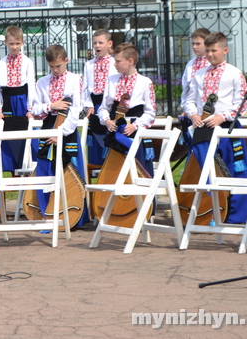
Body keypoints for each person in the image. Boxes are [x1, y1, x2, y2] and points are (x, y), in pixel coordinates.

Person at [184, 31, 247, 223]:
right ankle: (206, 213)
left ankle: (235, 215)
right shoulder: (199, 74)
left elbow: (242, 103)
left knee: (233, 169)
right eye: (208, 51)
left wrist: (223, 116)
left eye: (214, 50)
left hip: (227, 128)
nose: (210, 55)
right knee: (204, 170)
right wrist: (193, 114)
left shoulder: (234, 73)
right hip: (203, 129)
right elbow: (190, 101)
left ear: (225, 50)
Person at [31, 45, 87, 224]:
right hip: (47, 129)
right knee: (45, 170)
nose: (55, 70)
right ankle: (47, 214)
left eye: (58, 66)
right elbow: (35, 108)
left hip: (67, 131)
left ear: (66, 61)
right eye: (52, 67)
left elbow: (76, 109)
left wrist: (60, 133)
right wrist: (51, 106)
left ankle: (74, 217)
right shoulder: (42, 82)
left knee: (70, 170)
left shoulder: (74, 80)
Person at [98, 42, 157, 175]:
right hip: (115, 132)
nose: (115, 64)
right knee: (114, 173)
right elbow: (103, 108)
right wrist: (107, 120)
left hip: (135, 133)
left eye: (118, 61)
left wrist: (135, 126)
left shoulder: (144, 82)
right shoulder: (111, 80)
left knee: (139, 172)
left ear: (130, 61)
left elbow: (150, 113)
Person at [0, 26, 35, 173]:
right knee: (10, 137)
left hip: (22, 101)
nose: (14, 47)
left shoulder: (27, 62)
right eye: (11, 43)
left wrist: (30, 109)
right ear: (5, 43)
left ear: (22, 43)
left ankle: (28, 168)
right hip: (8, 103)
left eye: (17, 43)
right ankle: (13, 170)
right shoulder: (1, 64)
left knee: (25, 135)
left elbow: (31, 86)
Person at [81, 29, 117, 169]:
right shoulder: (89, 65)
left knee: (110, 136)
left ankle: (110, 169)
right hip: (94, 105)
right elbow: (85, 88)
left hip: (109, 105)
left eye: (101, 42)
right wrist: (88, 106)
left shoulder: (114, 63)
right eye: (95, 43)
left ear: (109, 44)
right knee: (95, 139)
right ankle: (96, 168)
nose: (97, 46)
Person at [180, 28, 210, 115]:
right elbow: (186, 87)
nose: (194, 47)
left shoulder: (211, 63)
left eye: (198, 44)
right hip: (192, 110)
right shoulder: (190, 64)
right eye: (193, 43)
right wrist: (185, 108)